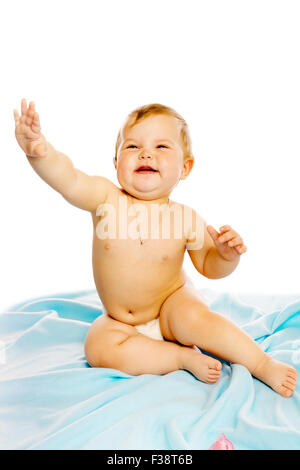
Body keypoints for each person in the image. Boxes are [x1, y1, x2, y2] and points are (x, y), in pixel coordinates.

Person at [13, 98, 297, 397]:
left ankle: (261, 364)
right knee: (97, 347)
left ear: (185, 167)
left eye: (162, 147)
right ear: (115, 163)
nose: (146, 152)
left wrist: (226, 256)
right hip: (120, 320)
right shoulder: (105, 199)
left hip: (171, 305)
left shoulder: (186, 217)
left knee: (196, 320)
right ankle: (179, 358)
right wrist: (38, 150)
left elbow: (209, 266)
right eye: (132, 147)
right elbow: (67, 179)